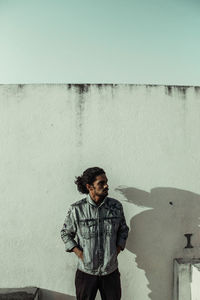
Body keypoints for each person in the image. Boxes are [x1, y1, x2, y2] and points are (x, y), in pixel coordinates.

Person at [60, 167, 129, 300]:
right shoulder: (77, 210)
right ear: (89, 187)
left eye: (106, 182)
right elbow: (65, 233)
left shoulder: (116, 207)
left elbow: (123, 230)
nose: (106, 186)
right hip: (86, 272)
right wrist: (80, 254)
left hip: (110, 271)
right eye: (101, 183)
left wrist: (117, 250)